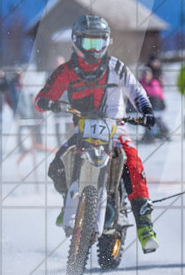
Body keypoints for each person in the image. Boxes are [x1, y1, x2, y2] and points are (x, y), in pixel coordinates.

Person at [34, 15, 160, 253]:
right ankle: (67, 202)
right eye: (88, 43)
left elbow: (137, 91)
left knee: (133, 163)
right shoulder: (67, 70)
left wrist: (146, 111)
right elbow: (43, 96)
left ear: (107, 43)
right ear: (75, 42)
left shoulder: (116, 68)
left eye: (98, 43)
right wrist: (46, 102)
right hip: (83, 128)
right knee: (56, 166)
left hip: (115, 128)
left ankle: (145, 225)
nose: (93, 50)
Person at [138, 67, 170, 142]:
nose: (146, 76)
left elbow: (160, 94)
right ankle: (149, 135)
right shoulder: (141, 83)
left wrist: (163, 103)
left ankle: (163, 133)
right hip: (146, 105)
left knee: (158, 119)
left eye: (148, 74)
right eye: (145, 74)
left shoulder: (155, 82)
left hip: (156, 104)